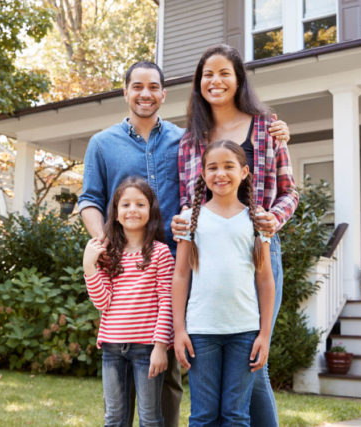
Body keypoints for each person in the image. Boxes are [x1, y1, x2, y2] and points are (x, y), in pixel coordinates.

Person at [78, 60, 289, 427]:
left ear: (164, 93)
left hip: (184, 259)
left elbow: (227, 161)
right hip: (129, 268)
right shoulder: (102, 143)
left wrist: (278, 132)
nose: (145, 94)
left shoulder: (185, 138)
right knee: (127, 357)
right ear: (124, 91)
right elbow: (90, 200)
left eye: (153, 87)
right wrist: (103, 246)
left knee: (173, 368)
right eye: (137, 86)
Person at [172, 44, 298, 427]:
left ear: (239, 79)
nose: (216, 81)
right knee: (245, 370)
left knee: (254, 359)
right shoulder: (190, 140)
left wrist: (271, 220)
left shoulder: (267, 126)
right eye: (207, 74)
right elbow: (187, 201)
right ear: (198, 83)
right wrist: (181, 223)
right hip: (207, 256)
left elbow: (289, 191)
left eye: (224, 72)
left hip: (258, 249)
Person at [172, 139, 275, 426]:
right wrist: (179, 330)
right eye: (213, 167)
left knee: (236, 415)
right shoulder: (190, 220)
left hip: (244, 332)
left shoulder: (257, 220)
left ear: (244, 172)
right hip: (201, 332)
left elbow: (265, 279)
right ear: (203, 175)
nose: (221, 174)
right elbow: (180, 276)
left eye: (229, 166)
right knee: (203, 416)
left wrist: (264, 335)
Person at [84, 176, 175, 427]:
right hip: (112, 348)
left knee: (149, 417)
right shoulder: (108, 254)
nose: (132, 210)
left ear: (151, 210)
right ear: (114, 213)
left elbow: (166, 302)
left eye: (140, 204)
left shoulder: (160, 253)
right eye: (125, 205)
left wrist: (160, 346)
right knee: (114, 418)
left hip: (147, 348)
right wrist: (89, 266)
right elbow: (102, 302)